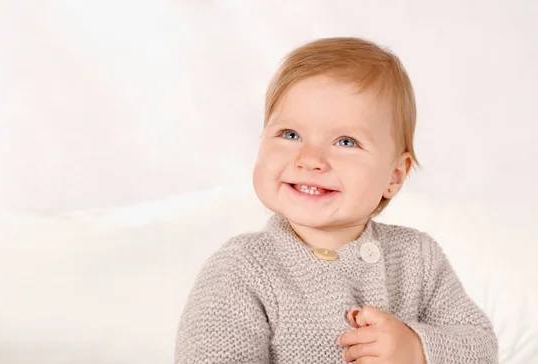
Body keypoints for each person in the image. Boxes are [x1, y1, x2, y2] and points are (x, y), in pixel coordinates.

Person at [174, 37, 498, 364]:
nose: (311, 158)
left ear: (394, 176)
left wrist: (416, 349)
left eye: (346, 141)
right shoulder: (242, 267)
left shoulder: (417, 258)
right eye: (290, 134)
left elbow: (481, 346)